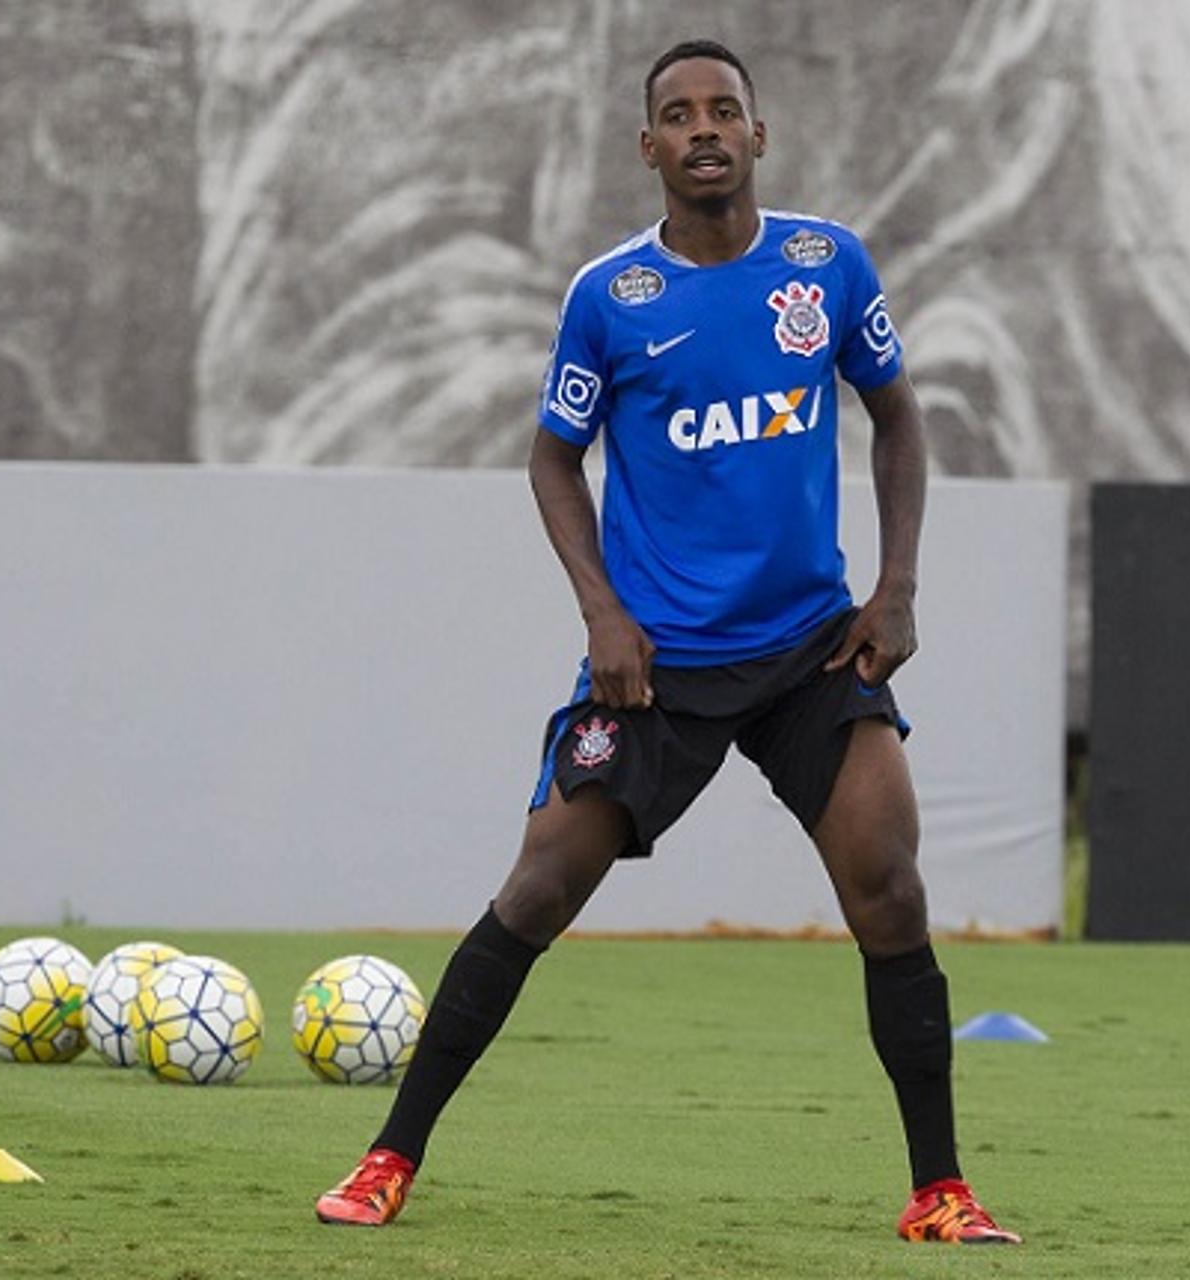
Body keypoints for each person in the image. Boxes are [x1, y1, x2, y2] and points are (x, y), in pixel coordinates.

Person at [313, 38, 1019, 1247]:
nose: (704, 127)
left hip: (810, 651)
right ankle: (386, 1158)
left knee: (891, 887)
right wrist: (603, 611)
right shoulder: (610, 298)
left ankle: (939, 1191)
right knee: (539, 885)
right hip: (660, 665)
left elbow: (897, 416)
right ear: (648, 148)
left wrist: (896, 584)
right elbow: (551, 454)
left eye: (724, 110)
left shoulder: (825, 265)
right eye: (678, 114)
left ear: (758, 134)